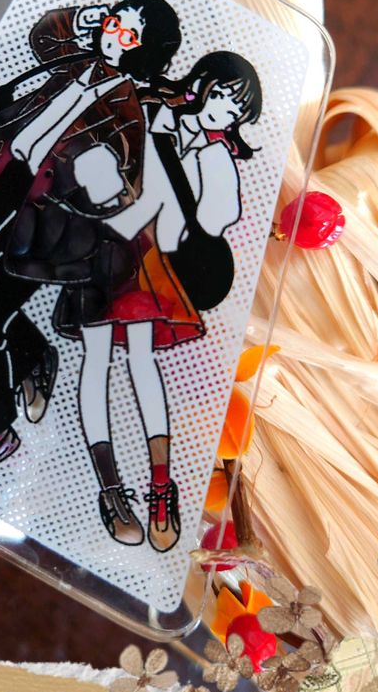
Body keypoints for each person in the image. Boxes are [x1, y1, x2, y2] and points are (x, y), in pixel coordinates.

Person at [0, 0, 182, 483]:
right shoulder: (78, 63)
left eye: (128, 33)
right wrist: (85, 17)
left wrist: (99, 173)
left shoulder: (126, 107)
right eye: (112, 22)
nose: (113, 34)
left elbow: (122, 180)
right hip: (8, 186)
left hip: (48, 216)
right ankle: (31, 355)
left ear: (144, 50)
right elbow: (44, 35)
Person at [65, 50, 262, 552]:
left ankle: (160, 486)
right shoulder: (151, 113)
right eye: (222, 97)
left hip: (155, 261)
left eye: (236, 111)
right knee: (95, 361)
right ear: (200, 85)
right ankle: (110, 490)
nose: (224, 113)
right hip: (103, 245)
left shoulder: (216, 157)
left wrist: (201, 166)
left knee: (141, 359)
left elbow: (213, 221)